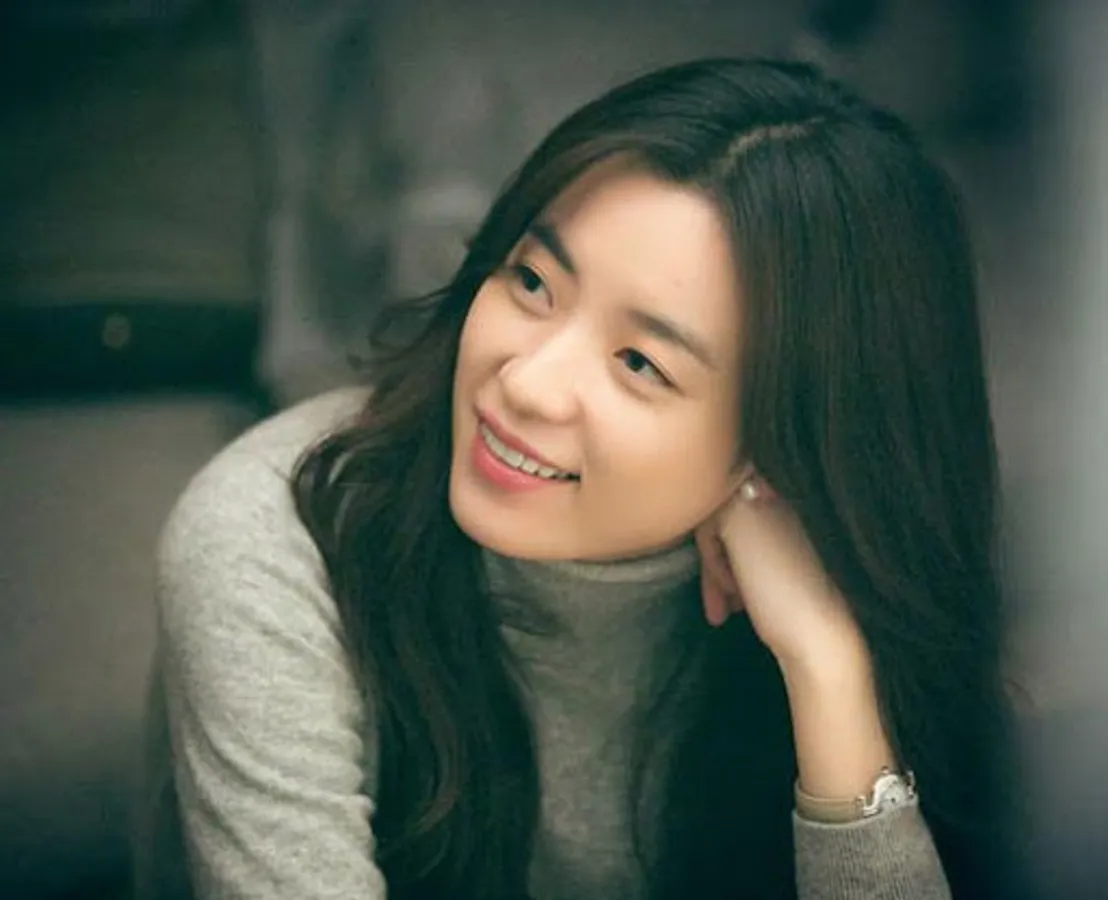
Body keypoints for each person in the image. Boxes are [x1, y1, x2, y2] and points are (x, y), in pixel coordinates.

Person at [132, 57, 1025, 900]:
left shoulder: (844, 594)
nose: (525, 382)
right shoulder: (271, 534)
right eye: (532, 281)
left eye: (639, 363)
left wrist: (828, 673)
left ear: (787, 438)